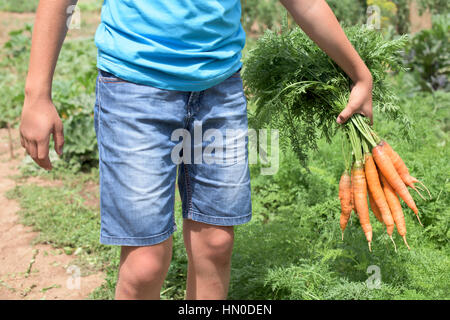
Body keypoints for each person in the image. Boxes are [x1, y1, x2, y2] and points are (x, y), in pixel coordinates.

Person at [19, 0, 373, 300]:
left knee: (216, 245)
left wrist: (359, 73)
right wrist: (37, 95)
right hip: (134, 90)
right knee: (145, 265)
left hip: (219, 92)